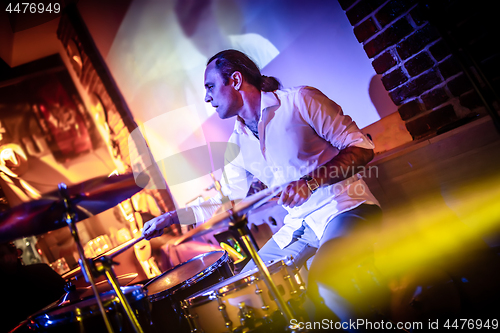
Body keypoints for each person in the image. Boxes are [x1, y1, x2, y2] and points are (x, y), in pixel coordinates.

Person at [142, 49, 387, 329]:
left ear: (235, 80)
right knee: (241, 295)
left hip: (345, 208)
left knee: (329, 283)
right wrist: (173, 217)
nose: (207, 98)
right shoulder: (237, 142)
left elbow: (361, 147)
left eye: (210, 87)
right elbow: (225, 201)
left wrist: (310, 181)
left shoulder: (299, 100)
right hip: (299, 226)